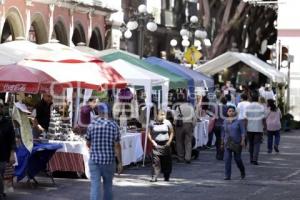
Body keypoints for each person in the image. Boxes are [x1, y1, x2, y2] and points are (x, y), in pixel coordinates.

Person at [86, 104, 123, 200]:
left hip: (94, 160)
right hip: (109, 161)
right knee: (108, 186)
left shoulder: (91, 125)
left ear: (98, 111)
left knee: (95, 186)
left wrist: (94, 149)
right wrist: (120, 162)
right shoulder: (114, 125)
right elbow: (117, 146)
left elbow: (88, 143)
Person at [148, 110, 174, 182]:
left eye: (164, 115)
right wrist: (152, 141)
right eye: (161, 114)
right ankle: (154, 176)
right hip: (156, 144)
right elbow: (149, 133)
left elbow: (172, 132)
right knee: (155, 161)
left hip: (166, 144)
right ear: (157, 115)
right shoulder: (152, 123)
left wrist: (169, 142)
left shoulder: (167, 122)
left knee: (166, 161)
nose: (163, 116)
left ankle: (166, 176)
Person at [221, 105, 246, 180]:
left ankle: (242, 170)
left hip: (237, 143)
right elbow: (223, 133)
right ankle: (227, 175)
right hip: (227, 143)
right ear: (227, 113)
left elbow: (243, 132)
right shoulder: (225, 121)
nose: (231, 112)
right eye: (230, 111)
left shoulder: (239, 121)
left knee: (237, 159)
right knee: (227, 159)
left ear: (235, 112)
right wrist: (221, 143)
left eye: (232, 111)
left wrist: (243, 141)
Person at [0, 99, 16, 200]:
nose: (0, 108)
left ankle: (1, 191)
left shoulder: (7, 122)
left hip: (3, 154)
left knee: (1, 173)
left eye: (1, 106)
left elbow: (12, 140)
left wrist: (12, 153)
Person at [174, 93, 196, 163]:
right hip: (189, 125)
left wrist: (175, 125)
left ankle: (180, 157)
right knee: (188, 142)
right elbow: (194, 118)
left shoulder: (178, 107)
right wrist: (193, 125)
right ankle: (188, 157)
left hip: (180, 126)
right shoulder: (190, 107)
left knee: (179, 142)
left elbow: (175, 118)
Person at [245, 92, 266, 165]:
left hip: (249, 128)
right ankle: (255, 159)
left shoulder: (248, 107)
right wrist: (265, 127)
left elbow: (246, 118)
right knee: (257, 144)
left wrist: (245, 127)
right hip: (258, 128)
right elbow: (264, 118)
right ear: (258, 99)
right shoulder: (261, 107)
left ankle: (251, 158)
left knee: (251, 144)